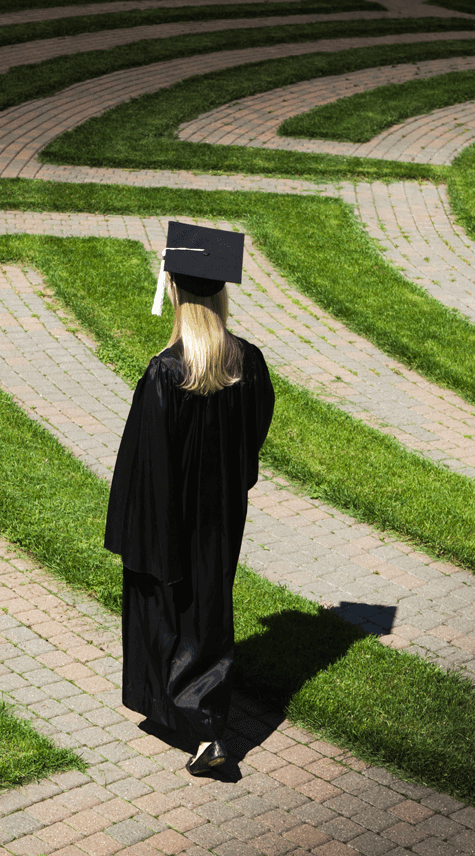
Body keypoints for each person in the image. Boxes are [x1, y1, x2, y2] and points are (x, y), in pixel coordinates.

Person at [105, 222, 274, 776]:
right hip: (221, 516)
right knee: (209, 609)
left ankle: (203, 730)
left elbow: (144, 459)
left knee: (167, 612)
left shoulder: (165, 372)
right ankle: (204, 721)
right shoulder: (246, 363)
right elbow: (253, 437)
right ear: (222, 294)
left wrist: (138, 526)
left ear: (173, 290)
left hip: (167, 518)